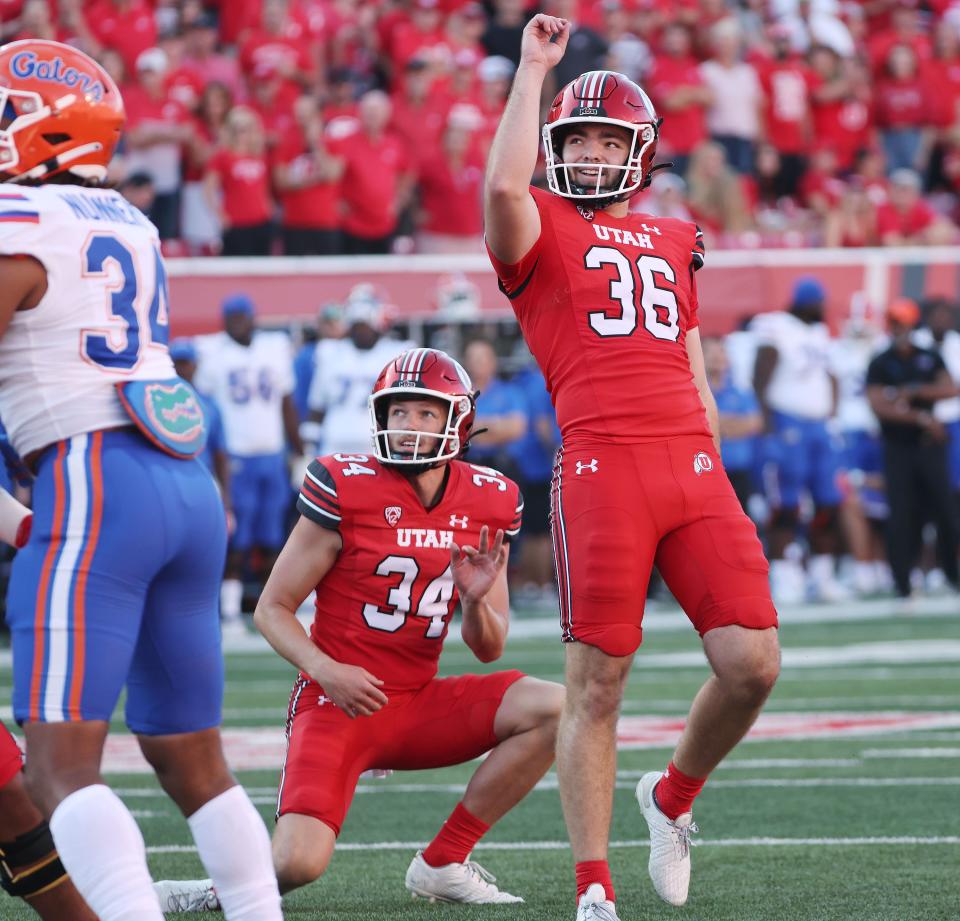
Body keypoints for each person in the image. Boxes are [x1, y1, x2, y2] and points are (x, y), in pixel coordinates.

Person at [483, 17, 780, 919]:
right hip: (604, 468)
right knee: (597, 685)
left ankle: (673, 795)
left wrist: (717, 466)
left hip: (691, 464)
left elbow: (690, 360)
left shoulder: (677, 237)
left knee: (752, 662)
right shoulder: (538, 227)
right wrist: (536, 69)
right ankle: (593, 887)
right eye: (578, 139)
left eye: (612, 139)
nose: (594, 153)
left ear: (641, 152)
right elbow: (502, 181)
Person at [0, 40, 282, 921]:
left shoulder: (18, 217)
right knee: (191, 756)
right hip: (181, 482)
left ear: (40, 128)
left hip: (94, 477)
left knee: (57, 762)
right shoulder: (127, 217)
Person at [171, 348, 565, 908]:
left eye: (425, 413)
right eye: (398, 412)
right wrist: (326, 671)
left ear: (456, 419)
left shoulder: (490, 497)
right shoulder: (345, 485)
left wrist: (475, 604)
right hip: (338, 703)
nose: (409, 426)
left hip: (416, 701)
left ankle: (444, 860)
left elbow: (488, 647)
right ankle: (209, 893)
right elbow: (273, 607)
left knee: (558, 709)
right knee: (296, 864)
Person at [194, 294, 303, 629]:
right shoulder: (214, 356)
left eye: (242, 316)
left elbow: (286, 403)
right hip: (236, 456)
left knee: (274, 536)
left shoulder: (274, 349)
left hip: (271, 454)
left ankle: (274, 605)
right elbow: (206, 410)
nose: (237, 322)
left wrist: (298, 451)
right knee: (235, 537)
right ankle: (229, 609)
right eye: (231, 317)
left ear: (253, 317)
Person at [752, 277, 847, 603]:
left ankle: (822, 576)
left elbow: (831, 376)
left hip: (818, 426)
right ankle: (784, 576)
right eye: (818, 301)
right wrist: (769, 426)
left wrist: (832, 414)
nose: (823, 308)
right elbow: (760, 376)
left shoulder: (819, 332)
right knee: (786, 503)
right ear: (805, 302)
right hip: (787, 421)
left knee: (828, 501)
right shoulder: (777, 327)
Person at [866, 297, 960, 599]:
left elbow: (950, 388)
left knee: (945, 510)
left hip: (929, 446)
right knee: (903, 515)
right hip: (898, 447)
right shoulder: (881, 361)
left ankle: (951, 574)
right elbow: (879, 405)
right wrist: (920, 416)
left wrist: (911, 391)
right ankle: (903, 581)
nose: (900, 329)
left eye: (904, 322)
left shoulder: (928, 356)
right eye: (895, 322)